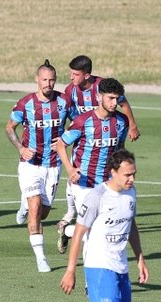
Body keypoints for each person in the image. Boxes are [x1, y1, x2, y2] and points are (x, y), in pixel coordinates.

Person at [58, 149, 148, 302]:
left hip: (120, 265)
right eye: (127, 175)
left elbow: (131, 225)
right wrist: (70, 270)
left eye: (134, 174)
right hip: (98, 265)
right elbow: (78, 234)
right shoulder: (97, 197)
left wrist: (139, 258)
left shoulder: (131, 193)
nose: (132, 179)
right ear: (113, 172)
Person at [56, 55, 140, 246]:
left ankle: (67, 230)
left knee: (103, 229)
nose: (113, 103)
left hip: (106, 183)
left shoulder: (121, 121)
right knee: (95, 232)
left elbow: (119, 149)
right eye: (110, 98)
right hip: (84, 183)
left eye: (116, 99)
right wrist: (70, 170)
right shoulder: (82, 122)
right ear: (98, 96)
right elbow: (61, 145)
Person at [5, 60, 72, 272]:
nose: (48, 84)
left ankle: (24, 205)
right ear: (37, 79)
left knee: (43, 213)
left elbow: (78, 125)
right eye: (44, 80)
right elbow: (9, 128)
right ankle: (41, 258)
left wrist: (65, 140)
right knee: (35, 209)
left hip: (52, 165)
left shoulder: (64, 102)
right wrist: (20, 148)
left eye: (52, 80)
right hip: (30, 164)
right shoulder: (25, 104)